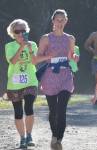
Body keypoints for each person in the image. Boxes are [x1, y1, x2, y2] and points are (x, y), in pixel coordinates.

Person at [34, 9, 79, 150]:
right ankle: (54, 135)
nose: (59, 23)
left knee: (62, 109)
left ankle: (59, 138)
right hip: (50, 76)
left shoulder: (70, 38)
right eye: (57, 20)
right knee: (53, 111)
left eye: (62, 20)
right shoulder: (45, 38)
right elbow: (35, 59)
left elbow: (71, 56)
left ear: (66, 21)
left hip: (66, 75)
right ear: (53, 21)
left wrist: (75, 59)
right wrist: (49, 56)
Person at [5, 19, 38, 148]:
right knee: (18, 112)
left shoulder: (33, 45)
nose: (20, 33)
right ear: (13, 33)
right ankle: (22, 138)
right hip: (14, 84)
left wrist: (29, 49)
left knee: (28, 106)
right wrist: (22, 47)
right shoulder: (9, 46)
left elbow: (35, 62)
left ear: (27, 32)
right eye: (17, 31)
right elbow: (12, 61)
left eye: (23, 31)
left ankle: (29, 135)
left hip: (30, 81)